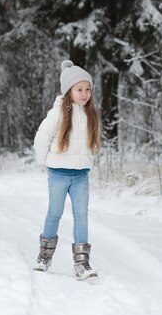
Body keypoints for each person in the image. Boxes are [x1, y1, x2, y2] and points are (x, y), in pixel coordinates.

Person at [33, 60, 101, 280]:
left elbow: (95, 142)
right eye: (79, 89)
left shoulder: (91, 114)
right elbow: (42, 138)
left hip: (81, 175)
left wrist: (89, 157)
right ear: (69, 91)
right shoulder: (58, 114)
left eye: (87, 89)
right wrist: (44, 162)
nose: (84, 94)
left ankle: (82, 263)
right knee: (55, 212)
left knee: (81, 216)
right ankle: (45, 255)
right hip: (59, 173)